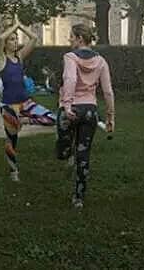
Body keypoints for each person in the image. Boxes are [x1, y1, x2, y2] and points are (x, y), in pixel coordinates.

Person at [55, 23, 115, 209]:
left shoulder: (70, 57)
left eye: (71, 36)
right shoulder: (101, 61)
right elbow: (108, 91)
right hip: (90, 111)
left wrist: (67, 105)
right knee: (84, 153)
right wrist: (110, 117)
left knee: (62, 151)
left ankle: (67, 153)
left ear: (80, 39)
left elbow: (70, 79)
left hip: (71, 109)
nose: (69, 40)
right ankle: (79, 197)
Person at [0, 28, 57, 182]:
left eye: (16, 39)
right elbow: (0, 39)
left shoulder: (20, 57)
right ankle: (13, 171)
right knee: (12, 140)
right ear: (6, 44)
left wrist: (21, 26)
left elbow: (34, 38)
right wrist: (14, 25)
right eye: (12, 39)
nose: (15, 41)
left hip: (26, 102)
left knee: (52, 118)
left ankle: (25, 120)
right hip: (9, 106)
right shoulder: (1, 59)